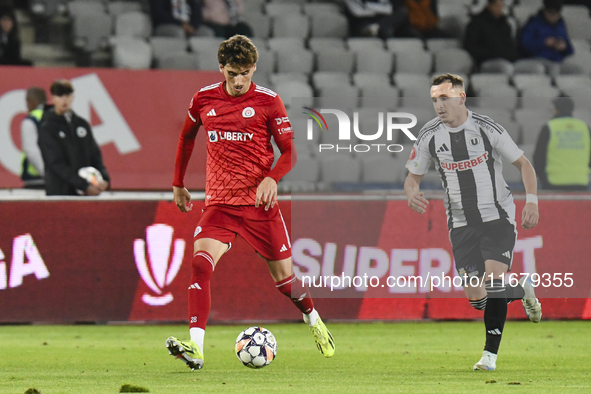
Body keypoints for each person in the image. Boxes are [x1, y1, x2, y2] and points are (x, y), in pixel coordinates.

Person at [166, 35, 335, 370]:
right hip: (220, 204)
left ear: (254, 68)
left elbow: (289, 151)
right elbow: (186, 137)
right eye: (232, 73)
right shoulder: (203, 99)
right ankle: (196, 347)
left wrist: (272, 177)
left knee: (285, 283)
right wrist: (178, 183)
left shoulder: (269, 101)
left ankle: (313, 318)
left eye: (244, 72)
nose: (239, 80)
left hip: (260, 207)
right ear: (221, 68)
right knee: (200, 264)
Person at [404, 73, 542, 371]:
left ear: (461, 97)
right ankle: (520, 289)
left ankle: (489, 356)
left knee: (493, 283)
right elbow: (412, 177)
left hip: (497, 218)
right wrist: (412, 193)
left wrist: (531, 201)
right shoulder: (429, 135)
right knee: (477, 299)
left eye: (444, 98)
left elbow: (524, 164)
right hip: (461, 224)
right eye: (434, 100)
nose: (439, 106)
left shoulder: (486, 128)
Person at [38, 79, 110, 196]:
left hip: (85, 193)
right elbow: (55, 163)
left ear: (73, 97)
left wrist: (104, 179)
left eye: (67, 95)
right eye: (59, 95)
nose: (64, 99)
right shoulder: (47, 127)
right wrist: (83, 185)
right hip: (60, 193)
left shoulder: (81, 124)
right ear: (53, 98)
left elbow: (95, 154)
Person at [533, 96, 591, 190]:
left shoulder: (549, 127)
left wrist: (544, 181)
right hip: (581, 182)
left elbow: (538, 158)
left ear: (556, 110)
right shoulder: (585, 127)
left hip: (554, 182)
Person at [464, 0, 519, 67]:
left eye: (501, 6)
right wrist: (494, 54)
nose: (500, 9)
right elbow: (471, 47)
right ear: (490, 6)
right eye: (497, 6)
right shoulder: (477, 23)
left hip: (506, 59)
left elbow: (510, 44)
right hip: (485, 61)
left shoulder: (504, 24)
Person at [20, 87, 47, 188]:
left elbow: (31, 150)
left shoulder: (31, 120)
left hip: (35, 179)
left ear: (31, 101)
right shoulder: (56, 117)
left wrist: (46, 173)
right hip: (58, 180)